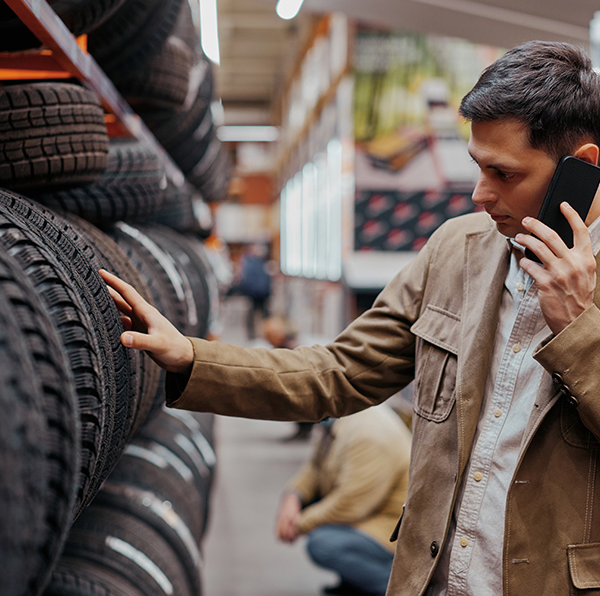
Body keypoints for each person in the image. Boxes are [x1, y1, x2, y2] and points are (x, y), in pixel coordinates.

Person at [100, 41, 600, 595]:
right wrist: (193, 357)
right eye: (477, 167)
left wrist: (578, 329)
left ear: (582, 167)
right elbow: (339, 372)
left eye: (504, 174)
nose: (480, 194)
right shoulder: (457, 251)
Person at [276, 405, 411, 596]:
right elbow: (315, 468)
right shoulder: (338, 420)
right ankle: (355, 582)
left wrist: (298, 524)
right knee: (315, 509)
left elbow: (350, 506)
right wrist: (293, 496)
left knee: (322, 544)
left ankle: (397, 588)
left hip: (392, 531)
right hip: (371, 512)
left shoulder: (367, 434)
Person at [238, 243, 272, 340]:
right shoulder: (249, 262)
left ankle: (268, 334)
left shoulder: (262, 262)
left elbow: (265, 279)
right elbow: (248, 279)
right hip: (254, 293)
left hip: (263, 293)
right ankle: (252, 335)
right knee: (252, 313)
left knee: (265, 314)